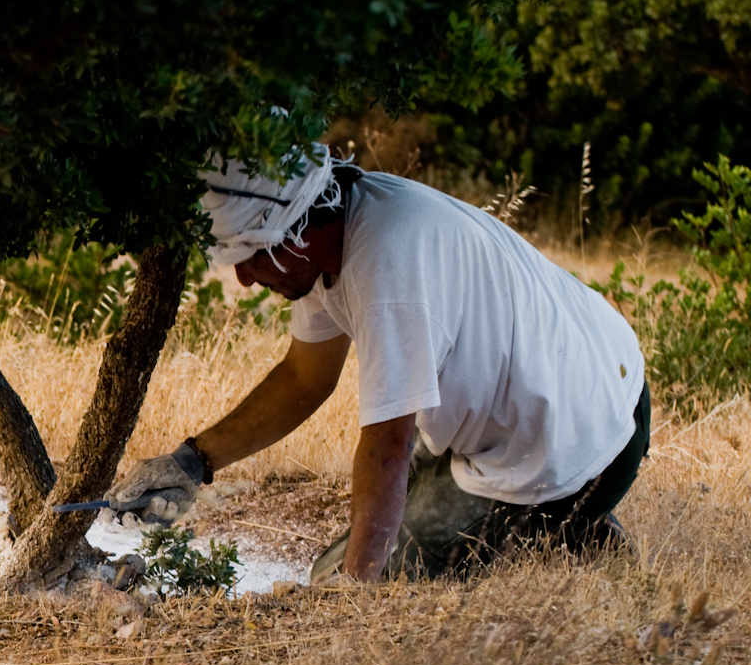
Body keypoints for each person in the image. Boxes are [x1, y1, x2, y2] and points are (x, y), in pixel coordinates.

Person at [108, 145, 649, 583]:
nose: (246, 279)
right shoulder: (337, 228)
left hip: (576, 441)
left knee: (338, 581)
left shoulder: (387, 269)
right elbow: (305, 378)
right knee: (349, 563)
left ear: (297, 236)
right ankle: (572, 526)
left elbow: (389, 449)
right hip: (594, 391)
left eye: (250, 257)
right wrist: (191, 462)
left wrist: (353, 601)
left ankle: (571, 520)